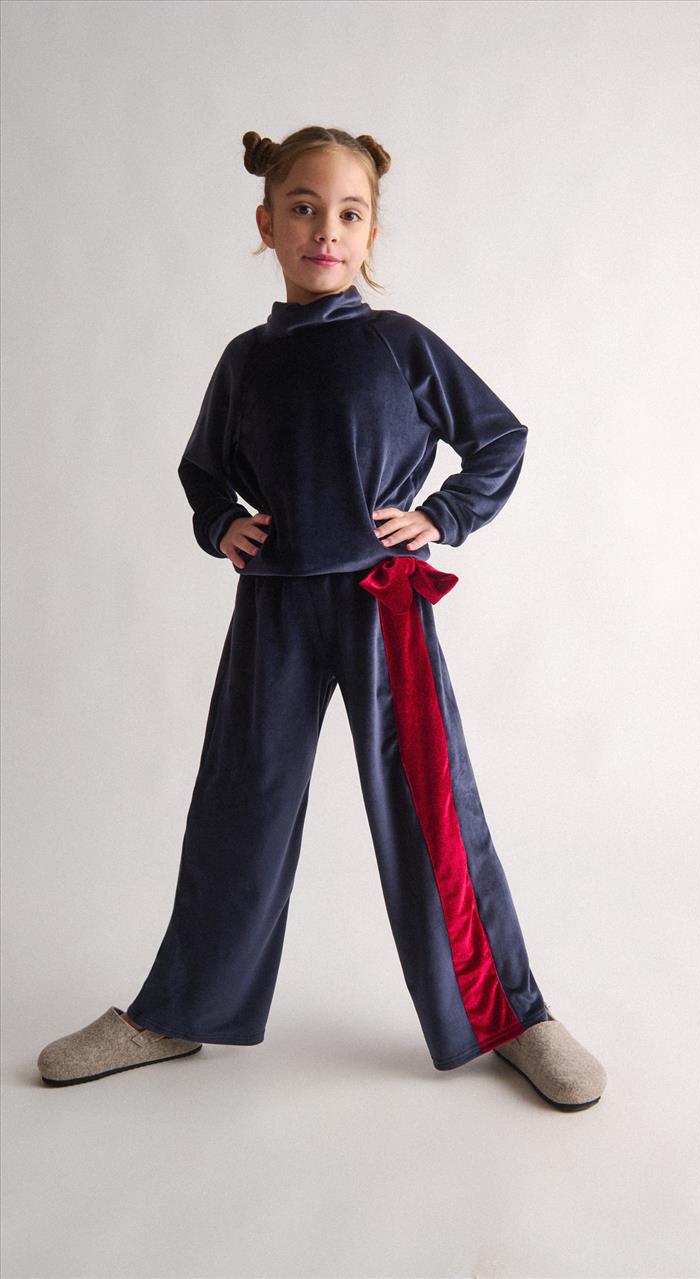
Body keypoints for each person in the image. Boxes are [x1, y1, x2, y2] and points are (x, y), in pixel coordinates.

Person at [37, 125, 606, 1110]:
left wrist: (441, 516)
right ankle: (179, 1009)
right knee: (240, 802)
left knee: (428, 809)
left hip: (383, 603)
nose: (324, 230)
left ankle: (505, 1016)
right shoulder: (245, 361)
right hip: (273, 606)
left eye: (348, 213)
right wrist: (221, 522)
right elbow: (202, 470)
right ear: (267, 224)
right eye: (302, 209)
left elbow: (498, 439)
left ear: (371, 231)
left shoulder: (399, 344)